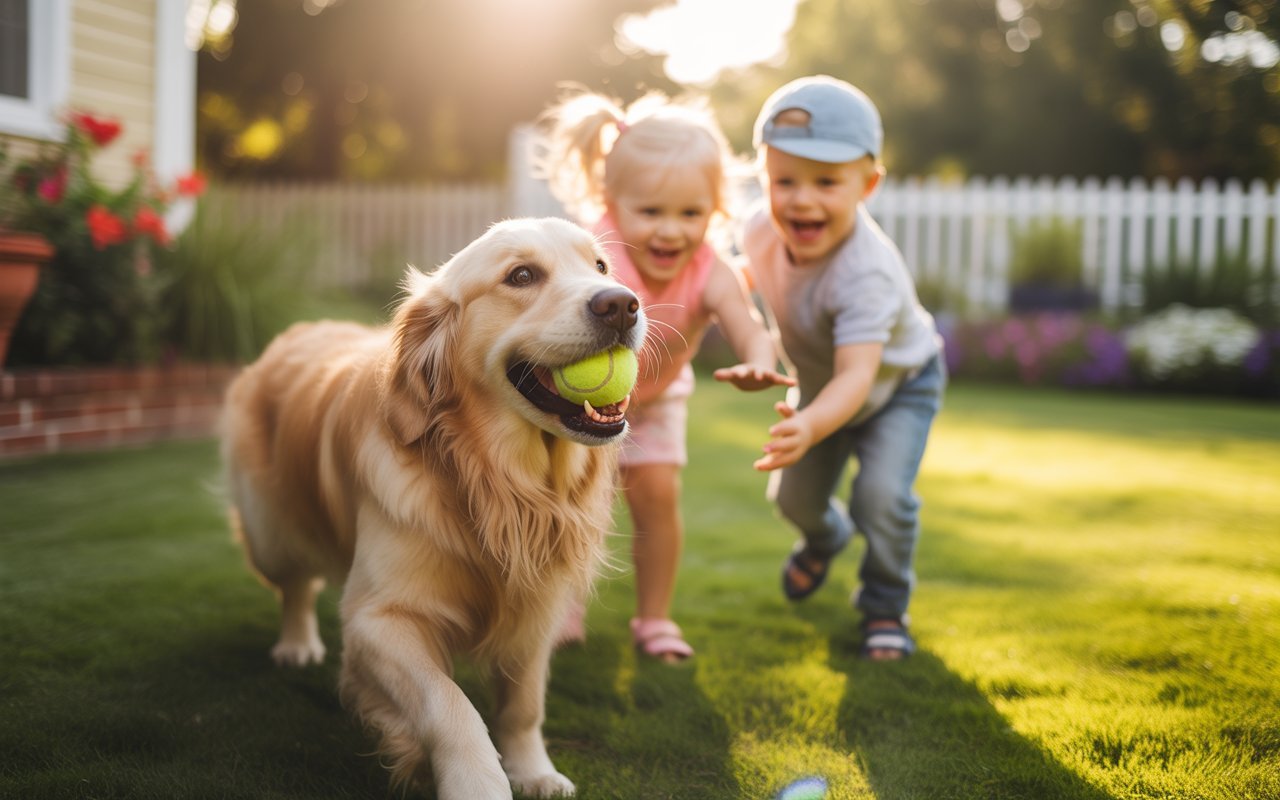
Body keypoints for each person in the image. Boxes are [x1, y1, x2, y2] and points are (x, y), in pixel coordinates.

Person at [537, 88, 794, 662]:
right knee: (570, 506)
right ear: (610, 203)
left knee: (656, 497)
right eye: (650, 213)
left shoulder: (710, 268)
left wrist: (758, 359)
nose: (670, 232)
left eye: (690, 214)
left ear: (715, 212)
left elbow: (748, 325)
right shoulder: (596, 255)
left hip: (655, 403)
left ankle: (653, 618)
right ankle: (560, 604)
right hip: (573, 405)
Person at [741, 75, 946, 661]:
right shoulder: (760, 228)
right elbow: (738, 276)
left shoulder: (866, 272)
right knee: (792, 501)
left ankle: (884, 606)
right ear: (764, 179)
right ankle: (824, 540)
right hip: (822, 383)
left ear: (868, 185)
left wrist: (808, 425)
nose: (802, 200)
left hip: (897, 386)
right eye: (784, 181)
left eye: (827, 182)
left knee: (881, 497)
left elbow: (858, 377)